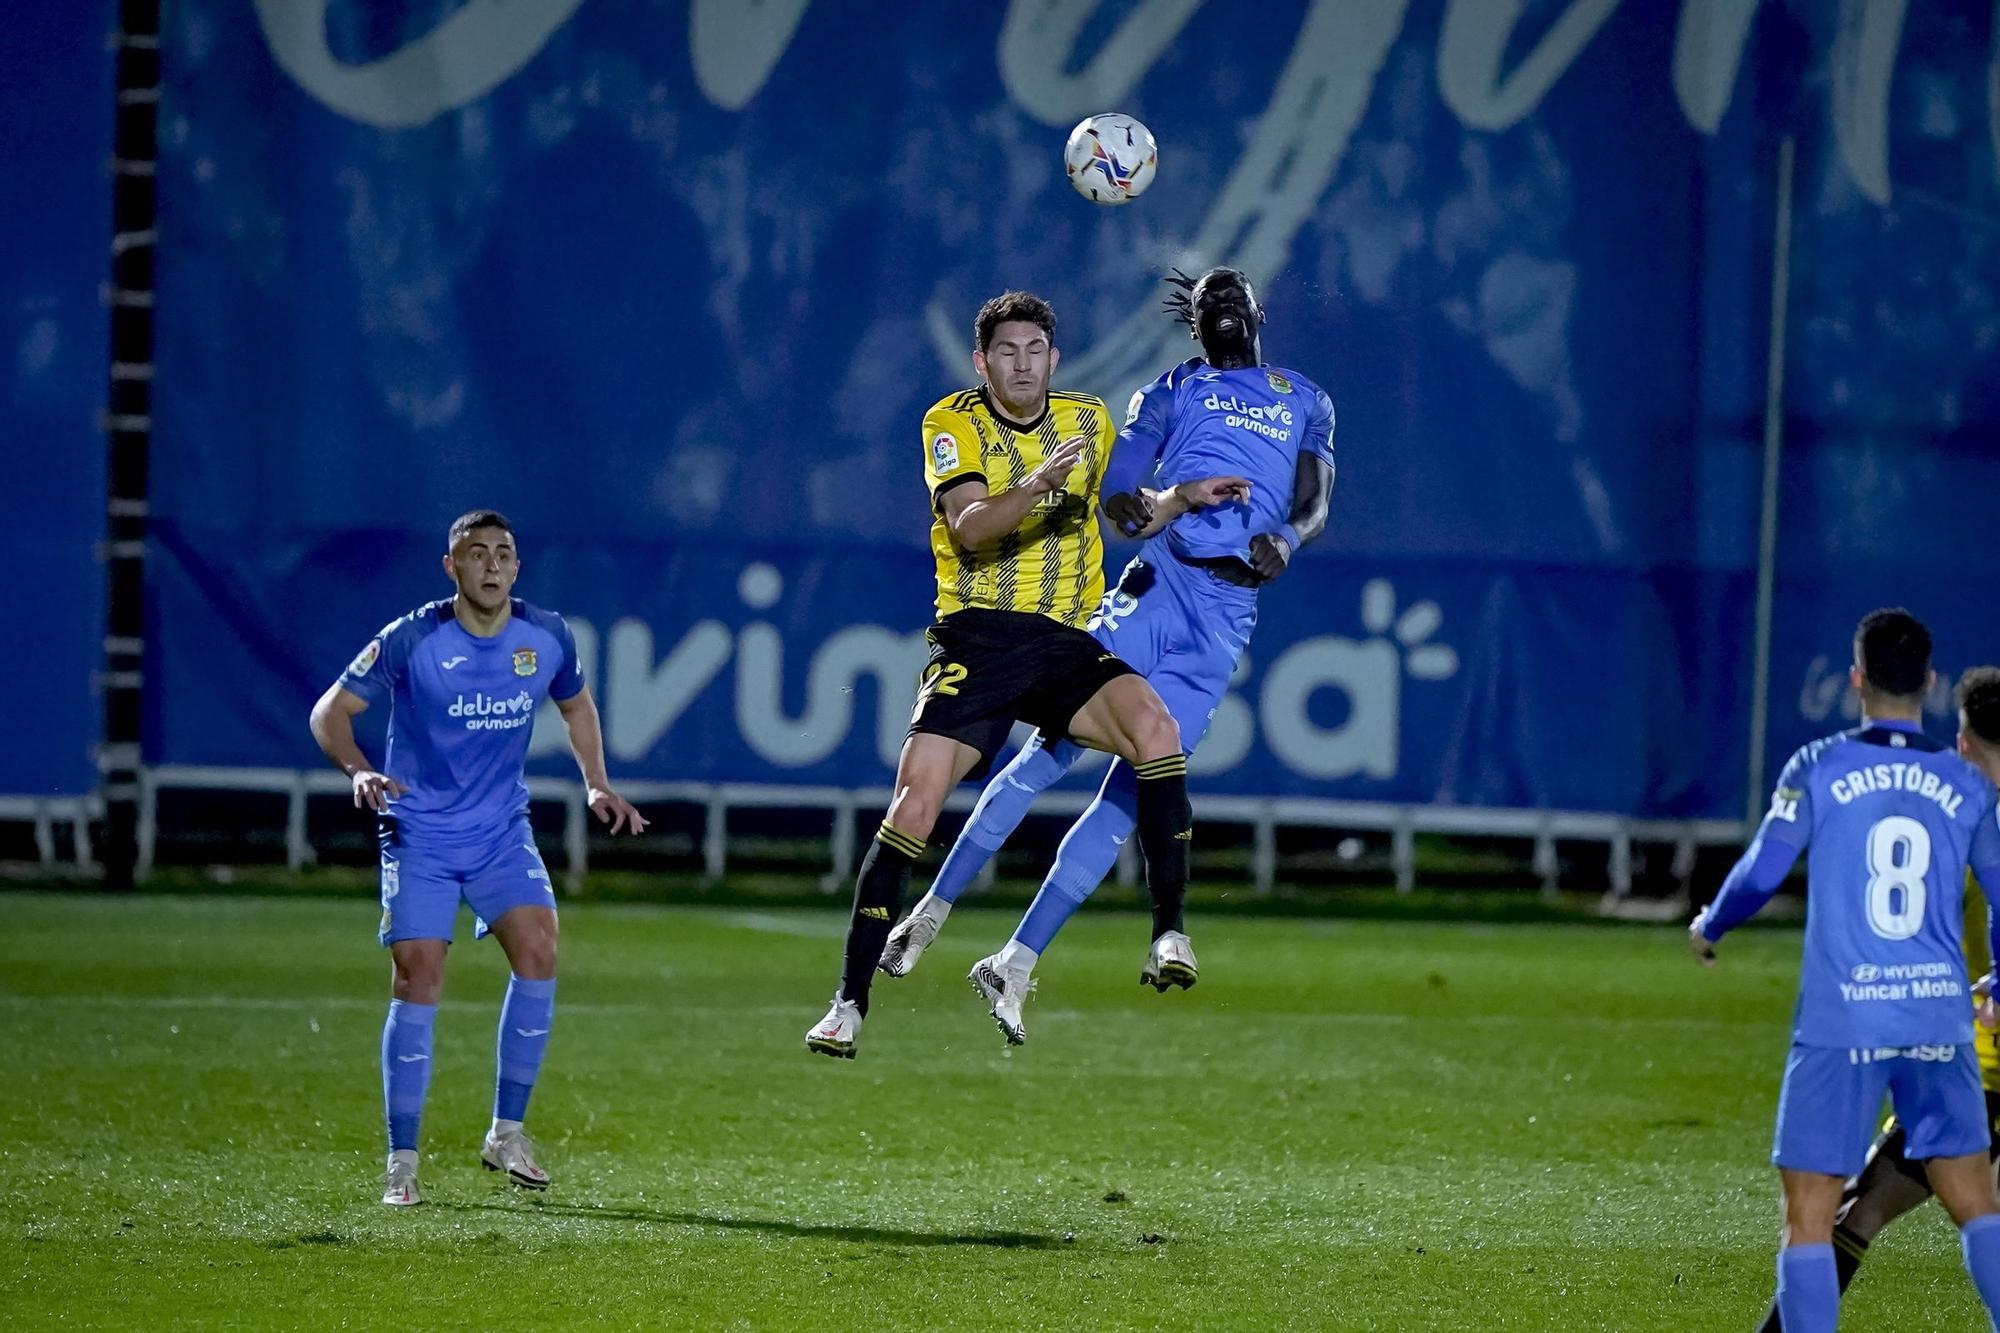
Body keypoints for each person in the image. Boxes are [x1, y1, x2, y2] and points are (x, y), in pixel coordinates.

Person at [874, 266, 1335, 1045]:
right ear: (1193, 320)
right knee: (1045, 755)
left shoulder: (1307, 398)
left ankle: (1016, 960)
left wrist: (1286, 538)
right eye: (1207, 295)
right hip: (1155, 590)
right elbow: (1124, 494)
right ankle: (932, 909)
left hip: (1224, 619)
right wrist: (1152, 502)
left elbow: (1316, 499)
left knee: (1130, 800)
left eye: (1235, 291)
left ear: (1259, 309)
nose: (1221, 300)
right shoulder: (1169, 392)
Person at [804, 290, 1234, 1059]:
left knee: (1156, 730)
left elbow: (1123, 512)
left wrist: (1178, 498)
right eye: (1008, 351)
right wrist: (1037, 485)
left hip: (1065, 643)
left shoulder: (1088, 418)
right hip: (980, 636)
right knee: (915, 802)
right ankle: (849, 1001)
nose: (1024, 363)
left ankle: (1169, 930)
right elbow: (969, 528)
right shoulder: (952, 421)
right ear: (983, 362)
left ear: (1054, 358)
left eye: (1036, 349)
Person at [309, 510, 647, 1206]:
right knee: (419, 975)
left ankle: (506, 1133)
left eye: (504, 554)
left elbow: (577, 706)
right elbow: (328, 714)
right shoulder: (412, 637)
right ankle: (402, 1160)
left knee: (540, 948)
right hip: (420, 833)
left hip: (499, 832)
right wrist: (358, 770)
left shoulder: (545, 635)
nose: (492, 565)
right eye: (476, 554)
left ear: (517, 568)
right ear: (451, 567)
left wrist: (595, 782)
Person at [1690, 612, 2000, 1331]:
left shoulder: (1820, 765)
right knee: (1976, 1203)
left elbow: (1762, 869)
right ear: (1928, 681)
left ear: (1856, 679)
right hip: (1935, 1016)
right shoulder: (1964, 782)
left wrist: (1712, 924)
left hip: (1843, 1017)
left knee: (1809, 1212)